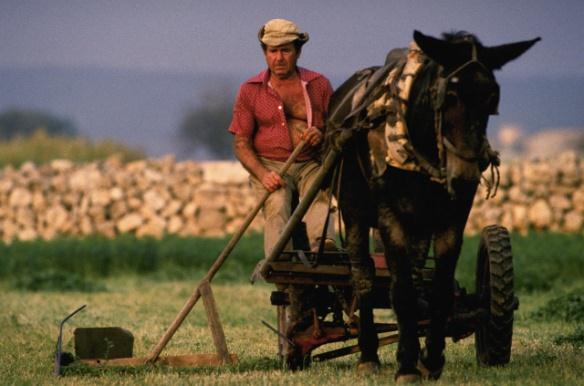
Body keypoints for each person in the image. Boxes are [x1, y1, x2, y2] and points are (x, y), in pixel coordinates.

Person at [228, 18, 336, 257]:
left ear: (298, 52)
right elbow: (241, 144)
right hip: (269, 165)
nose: (279, 58)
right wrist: (263, 175)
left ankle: (324, 247)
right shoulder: (251, 90)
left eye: (285, 51)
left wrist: (321, 134)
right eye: (272, 51)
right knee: (276, 202)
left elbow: (337, 130)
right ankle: (280, 258)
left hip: (310, 162)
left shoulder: (319, 85)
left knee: (318, 191)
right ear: (265, 53)